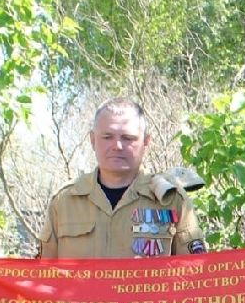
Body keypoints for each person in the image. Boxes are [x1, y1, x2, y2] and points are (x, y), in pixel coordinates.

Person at [39, 99, 207, 258]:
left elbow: (195, 274)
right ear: (92, 140)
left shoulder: (172, 200)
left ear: (146, 142)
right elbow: (43, 276)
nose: (117, 146)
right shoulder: (64, 202)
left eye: (128, 138)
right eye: (107, 137)